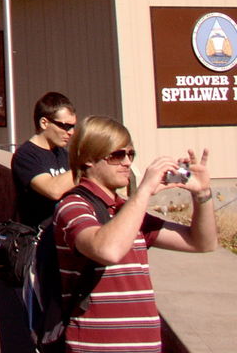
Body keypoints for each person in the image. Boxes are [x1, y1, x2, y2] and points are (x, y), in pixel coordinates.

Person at [54, 116, 216, 352]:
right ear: (88, 158)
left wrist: (202, 195)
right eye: (117, 155)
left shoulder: (125, 210)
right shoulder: (74, 206)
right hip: (95, 346)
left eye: (131, 154)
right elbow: (107, 250)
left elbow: (202, 242)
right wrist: (144, 191)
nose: (127, 162)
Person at [11, 91, 77, 227]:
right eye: (65, 126)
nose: (71, 132)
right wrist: (84, 166)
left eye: (73, 126)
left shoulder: (63, 154)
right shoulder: (26, 155)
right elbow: (53, 190)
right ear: (44, 123)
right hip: (39, 236)